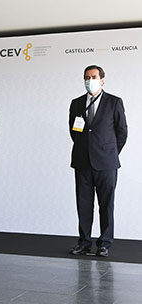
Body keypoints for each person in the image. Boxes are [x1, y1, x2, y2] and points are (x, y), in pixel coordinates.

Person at [68, 65, 128, 257]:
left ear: (102, 80)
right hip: (82, 162)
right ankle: (84, 242)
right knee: (83, 204)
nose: (89, 80)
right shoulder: (76, 103)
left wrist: (110, 152)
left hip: (106, 163)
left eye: (93, 77)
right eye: (86, 77)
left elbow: (122, 132)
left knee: (106, 204)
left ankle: (104, 244)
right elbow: (74, 131)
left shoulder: (114, 102)